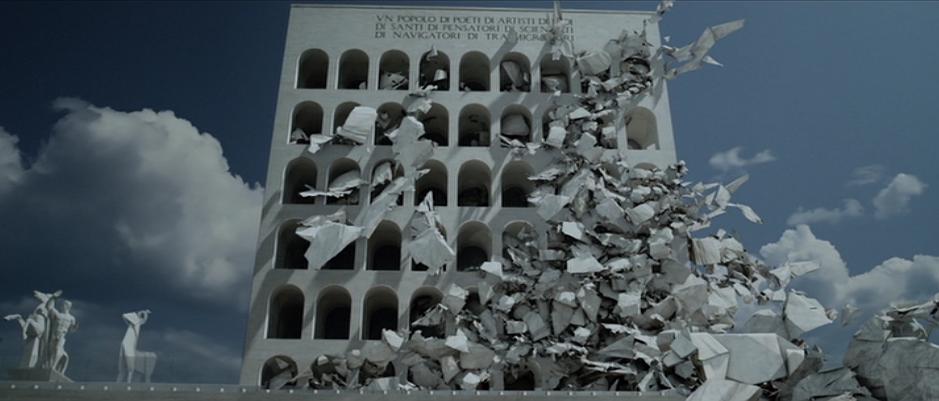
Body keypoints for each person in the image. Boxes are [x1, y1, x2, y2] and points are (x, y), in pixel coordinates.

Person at [46, 298, 78, 374]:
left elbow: (71, 330)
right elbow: (49, 307)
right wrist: (53, 298)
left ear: (68, 307)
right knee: (51, 350)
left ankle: (53, 366)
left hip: (62, 335)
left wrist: (75, 328)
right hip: (53, 335)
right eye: (63, 304)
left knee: (57, 348)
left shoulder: (71, 318)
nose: (62, 306)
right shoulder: (58, 314)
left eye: (64, 305)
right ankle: (51, 365)